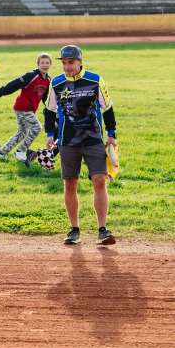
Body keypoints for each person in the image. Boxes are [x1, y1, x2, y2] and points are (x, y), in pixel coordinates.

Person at [44, 45, 117, 246]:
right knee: (70, 183)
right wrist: (50, 134)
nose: (67, 67)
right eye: (64, 63)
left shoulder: (95, 80)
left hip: (93, 138)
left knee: (99, 180)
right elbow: (49, 111)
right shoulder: (57, 83)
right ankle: (74, 229)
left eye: (71, 62)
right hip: (68, 141)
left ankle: (102, 229)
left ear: (80, 61)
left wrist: (111, 135)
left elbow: (108, 108)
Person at [0, 53, 52, 165]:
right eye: (42, 63)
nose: (45, 65)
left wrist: (50, 108)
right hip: (22, 107)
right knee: (36, 127)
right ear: (38, 64)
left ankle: (2, 153)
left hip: (30, 109)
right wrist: (0, 92)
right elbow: (14, 84)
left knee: (22, 133)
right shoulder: (31, 76)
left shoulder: (48, 80)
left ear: (50, 65)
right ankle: (21, 151)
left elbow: (45, 97)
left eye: (47, 63)